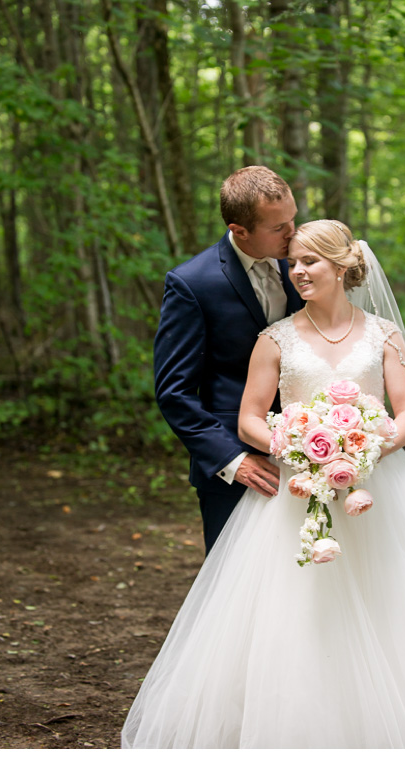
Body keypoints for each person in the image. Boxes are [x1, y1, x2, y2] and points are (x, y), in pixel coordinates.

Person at [123, 219, 405, 749]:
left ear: (343, 267)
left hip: (380, 487)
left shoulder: (383, 334)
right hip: (297, 489)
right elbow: (250, 420)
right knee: (294, 607)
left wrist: (363, 448)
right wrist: (298, 446)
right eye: (294, 262)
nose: (297, 271)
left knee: (398, 601)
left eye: (310, 262)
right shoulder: (275, 338)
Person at [153, 166, 304, 554]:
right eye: (278, 228)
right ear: (240, 230)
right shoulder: (193, 284)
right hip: (236, 469)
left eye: (293, 219)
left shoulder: (305, 265)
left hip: (310, 455)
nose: (293, 233)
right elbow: (174, 392)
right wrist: (232, 461)